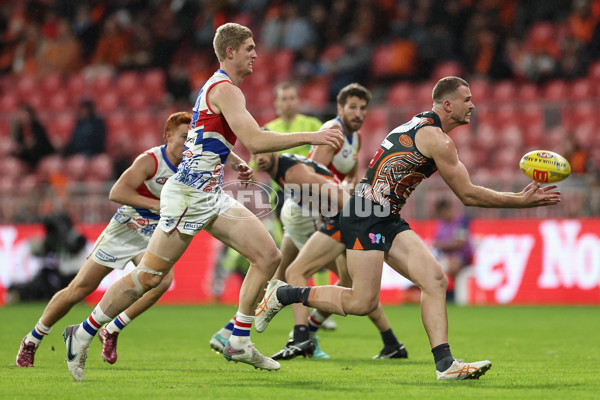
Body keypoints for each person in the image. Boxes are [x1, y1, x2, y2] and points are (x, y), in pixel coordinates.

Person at [62, 22, 343, 381]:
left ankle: (238, 338)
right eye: (249, 48)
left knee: (269, 255)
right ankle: (83, 332)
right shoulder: (225, 89)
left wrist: (236, 162)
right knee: (149, 277)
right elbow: (256, 140)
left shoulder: (219, 88)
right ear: (230, 52)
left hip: (210, 194)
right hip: (189, 196)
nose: (256, 53)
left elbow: (203, 140)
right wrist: (313, 135)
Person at [254, 76, 562, 380]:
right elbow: (467, 194)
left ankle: (445, 364)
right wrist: (520, 201)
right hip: (366, 215)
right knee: (363, 302)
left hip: (384, 215)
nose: (472, 105)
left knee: (435, 279)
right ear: (447, 104)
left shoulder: (417, 123)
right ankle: (285, 294)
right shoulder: (437, 139)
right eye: (466, 100)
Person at [16, 112, 191, 368]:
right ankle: (33, 338)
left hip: (153, 231)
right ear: (168, 136)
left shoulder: (191, 166)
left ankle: (113, 328)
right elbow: (116, 192)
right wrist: (159, 204)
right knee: (79, 289)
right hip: (126, 226)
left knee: (162, 279)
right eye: (184, 137)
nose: (188, 143)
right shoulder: (150, 160)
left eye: (192, 138)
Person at [264, 81, 323, 157]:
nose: (288, 103)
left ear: (298, 101)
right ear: (276, 103)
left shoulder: (313, 124)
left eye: (292, 98)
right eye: (284, 99)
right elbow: (255, 164)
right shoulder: (268, 129)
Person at [431, 198, 474, 301]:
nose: (442, 216)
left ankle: (453, 296)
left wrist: (443, 245)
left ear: (448, 209)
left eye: (443, 213)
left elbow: (460, 242)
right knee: (431, 267)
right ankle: (438, 297)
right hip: (445, 257)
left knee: (453, 266)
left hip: (462, 257)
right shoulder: (440, 225)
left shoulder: (462, 222)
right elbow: (435, 243)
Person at [10, 103, 55, 168]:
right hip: (26, 158)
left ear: (30, 115)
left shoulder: (38, 128)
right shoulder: (19, 129)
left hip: (42, 157)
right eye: (19, 113)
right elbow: (18, 146)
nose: (20, 116)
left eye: (23, 113)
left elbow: (42, 146)